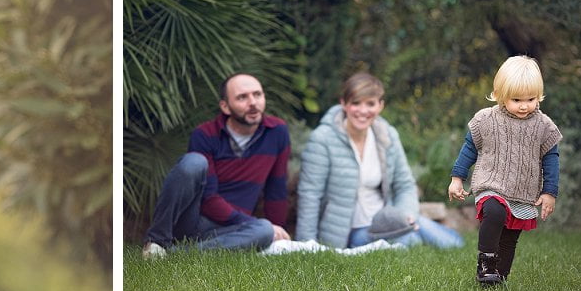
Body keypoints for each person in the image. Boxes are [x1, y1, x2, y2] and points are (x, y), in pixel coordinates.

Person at [296, 73, 463, 250]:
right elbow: (310, 195)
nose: (362, 111)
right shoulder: (323, 138)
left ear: (380, 106)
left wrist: (406, 215)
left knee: (453, 244)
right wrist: (306, 244)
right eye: (355, 103)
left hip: (386, 219)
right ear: (343, 104)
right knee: (410, 241)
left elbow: (404, 184)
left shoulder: (387, 134)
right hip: (349, 231)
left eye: (370, 103)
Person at [141, 73, 291, 258]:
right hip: (195, 221)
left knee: (264, 230)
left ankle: (174, 255)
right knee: (193, 162)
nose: (253, 102)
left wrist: (278, 231)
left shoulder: (277, 132)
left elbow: (276, 189)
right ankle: (156, 242)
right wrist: (249, 222)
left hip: (234, 230)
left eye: (257, 94)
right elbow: (209, 199)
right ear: (225, 107)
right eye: (242, 97)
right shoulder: (204, 134)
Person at [448, 55, 562, 286]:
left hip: (523, 191)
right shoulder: (486, 120)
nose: (524, 105)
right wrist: (457, 178)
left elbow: (551, 158)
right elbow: (469, 148)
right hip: (491, 184)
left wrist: (549, 192)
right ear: (500, 95)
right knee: (495, 212)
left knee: (509, 238)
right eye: (516, 99)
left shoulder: (544, 126)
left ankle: (497, 278)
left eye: (530, 99)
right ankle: (486, 262)